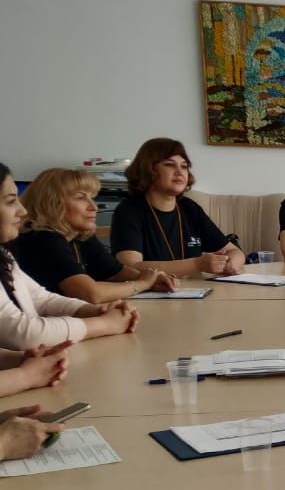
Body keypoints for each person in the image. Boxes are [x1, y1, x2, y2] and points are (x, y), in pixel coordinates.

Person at [0, 162, 138, 350]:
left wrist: (97, 311)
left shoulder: (3, 254)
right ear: (52, 202)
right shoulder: (42, 240)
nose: (22, 210)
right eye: (10, 201)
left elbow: (42, 300)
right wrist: (106, 323)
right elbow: (22, 333)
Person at [11, 168, 179, 302]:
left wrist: (155, 278)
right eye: (80, 198)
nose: (94, 207)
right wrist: (142, 283)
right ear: (51, 203)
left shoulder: (79, 236)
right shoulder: (42, 240)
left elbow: (116, 273)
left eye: (92, 198)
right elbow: (90, 294)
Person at [110, 138, 246, 276]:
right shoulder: (129, 210)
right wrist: (197, 264)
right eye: (169, 165)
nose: (179, 172)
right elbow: (130, 267)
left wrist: (231, 263)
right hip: (150, 289)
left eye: (184, 166)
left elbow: (234, 251)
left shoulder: (189, 207)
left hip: (194, 288)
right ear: (148, 170)